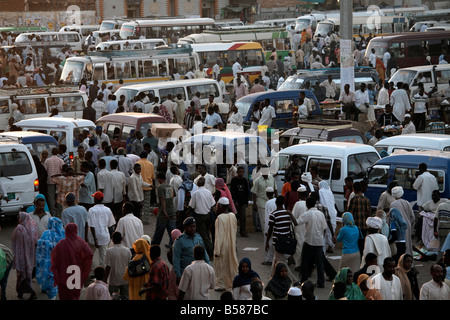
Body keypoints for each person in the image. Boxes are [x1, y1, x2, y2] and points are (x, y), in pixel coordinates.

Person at [50, 223, 93, 300]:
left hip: (63, 273)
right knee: (74, 295)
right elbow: (89, 254)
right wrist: (83, 264)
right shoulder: (81, 242)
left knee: (64, 295)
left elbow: (54, 257)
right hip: (76, 273)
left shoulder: (61, 243)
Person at [265, 195, 298, 280]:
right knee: (276, 260)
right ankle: (272, 277)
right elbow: (296, 223)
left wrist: (267, 242)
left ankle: (293, 279)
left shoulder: (273, 214)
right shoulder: (287, 213)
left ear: (276, 203)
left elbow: (270, 229)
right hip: (286, 240)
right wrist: (290, 213)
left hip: (278, 241)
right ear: (283, 203)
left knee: (281, 262)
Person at [298, 197, 328, 288]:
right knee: (319, 262)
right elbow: (324, 227)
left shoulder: (307, 214)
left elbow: (296, 222)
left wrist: (290, 214)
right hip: (319, 241)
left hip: (309, 241)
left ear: (307, 205)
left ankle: (304, 280)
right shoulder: (320, 214)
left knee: (304, 261)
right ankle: (320, 281)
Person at [172, 217, 211, 282]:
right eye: (190, 227)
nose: (192, 229)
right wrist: (178, 275)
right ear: (185, 228)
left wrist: (209, 268)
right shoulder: (179, 241)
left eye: (194, 226)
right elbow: (176, 258)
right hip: (186, 273)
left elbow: (205, 254)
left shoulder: (198, 238)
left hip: (199, 272)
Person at [35, 217, 65, 300]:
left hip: (49, 260)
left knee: (50, 276)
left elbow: (40, 244)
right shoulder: (62, 233)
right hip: (60, 261)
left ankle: (52, 295)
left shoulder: (46, 233)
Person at [213, 197, 239, 292]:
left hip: (222, 246)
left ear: (220, 206)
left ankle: (221, 284)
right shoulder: (232, 215)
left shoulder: (220, 218)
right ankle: (233, 282)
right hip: (231, 245)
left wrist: (217, 250)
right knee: (231, 264)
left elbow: (219, 235)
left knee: (221, 266)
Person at [11, 212, 38, 300]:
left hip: (21, 256)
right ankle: (21, 292)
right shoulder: (32, 228)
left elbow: (15, 243)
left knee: (21, 274)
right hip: (30, 255)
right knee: (27, 274)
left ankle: (31, 293)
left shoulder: (19, 229)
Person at [188, 176, 215, 258]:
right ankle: (207, 250)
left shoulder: (196, 193)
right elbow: (212, 204)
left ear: (198, 184)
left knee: (203, 235)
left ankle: (210, 253)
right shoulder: (208, 192)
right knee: (207, 233)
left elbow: (191, 206)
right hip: (208, 215)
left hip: (200, 216)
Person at [88, 191, 116, 268]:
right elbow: (111, 225)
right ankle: (102, 274)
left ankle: (91, 271)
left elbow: (92, 225)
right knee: (103, 259)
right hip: (104, 236)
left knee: (89, 256)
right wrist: (111, 236)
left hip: (93, 237)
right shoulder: (108, 210)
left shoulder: (91, 210)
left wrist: (95, 239)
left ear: (95, 200)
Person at [105, 231, 132, 300]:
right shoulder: (127, 250)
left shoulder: (109, 251)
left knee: (113, 298)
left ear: (112, 240)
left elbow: (108, 267)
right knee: (125, 297)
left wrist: (105, 279)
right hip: (125, 279)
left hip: (114, 280)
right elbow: (130, 265)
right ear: (121, 239)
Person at [152, 172, 176, 247]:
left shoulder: (160, 187)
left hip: (163, 213)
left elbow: (162, 199)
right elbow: (169, 198)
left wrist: (164, 211)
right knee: (172, 231)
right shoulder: (170, 186)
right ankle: (173, 245)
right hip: (171, 211)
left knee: (159, 231)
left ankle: (154, 246)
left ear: (159, 179)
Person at [390, 186, 415, 258]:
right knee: (408, 245)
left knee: (400, 247)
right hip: (407, 226)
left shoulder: (393, 204)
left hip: (399, 228)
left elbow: (393, 219)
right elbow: (412, 217)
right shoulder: (407, 203)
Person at [230, 166, 250, 237]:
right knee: (235, 217)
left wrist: (246, 201)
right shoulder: (234, 180)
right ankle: (233, 231)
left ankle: (243, 231)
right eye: (240, 172)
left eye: (242, 172)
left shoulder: (245, 180)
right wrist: (234, 201)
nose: (241, 173)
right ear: (237, 172)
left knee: (243, 217)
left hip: (243, 202)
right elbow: (232, 191)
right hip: (236, 202)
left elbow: (247, 191)